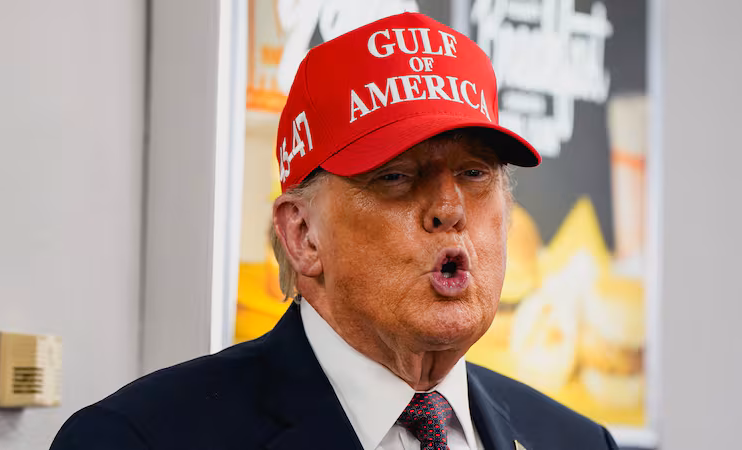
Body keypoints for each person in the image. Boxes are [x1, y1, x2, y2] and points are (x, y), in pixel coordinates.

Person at [51, 12, 618, 450]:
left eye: (475, 173)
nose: (449, 208)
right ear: (302, 235)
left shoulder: (577, 441)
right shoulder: (139, 438)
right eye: (396, 176)